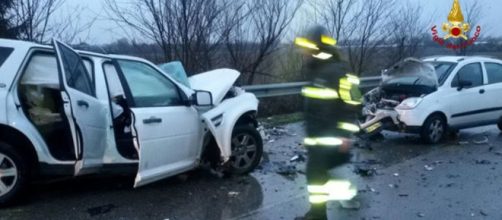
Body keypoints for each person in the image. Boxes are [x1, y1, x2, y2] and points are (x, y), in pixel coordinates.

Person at [294, 26, 363, 219]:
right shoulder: (316, 70)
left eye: (307, 47)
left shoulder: (337, 70)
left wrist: (345, 135)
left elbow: (354, 103)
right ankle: (318, 213)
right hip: (317, 137)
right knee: (317, 177)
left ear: (317, 47)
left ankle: (319, 214)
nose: (303, 52)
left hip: (330, 137)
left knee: (316, 176)